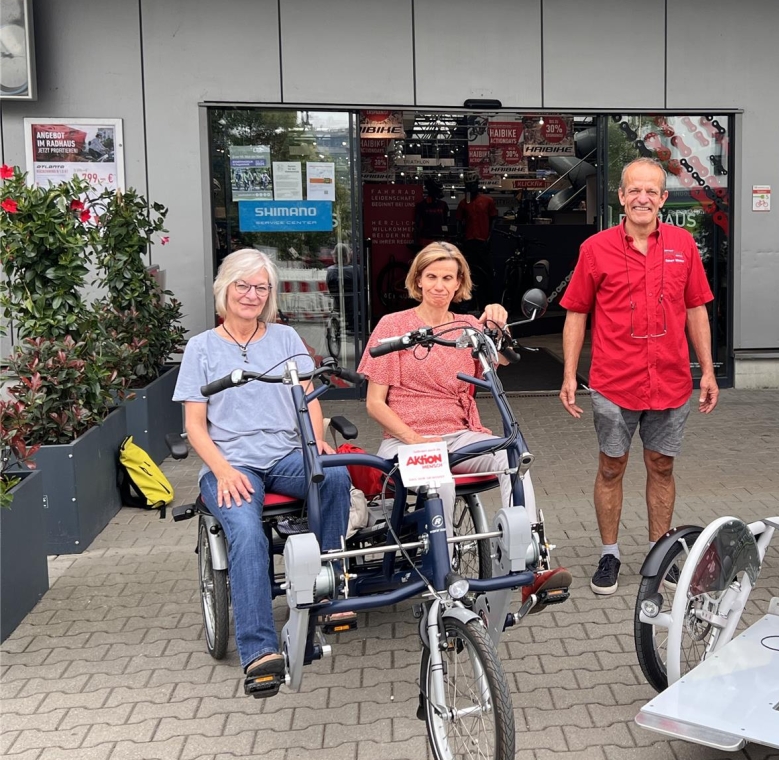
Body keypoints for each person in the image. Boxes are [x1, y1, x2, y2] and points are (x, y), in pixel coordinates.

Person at [173, 248, 352, 696]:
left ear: (270, 295)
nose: (251, 295)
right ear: (225, 289)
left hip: (285, 454)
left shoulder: (286, 340)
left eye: (260, 287)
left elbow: (309, 400)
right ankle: (260, 651)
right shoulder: (202, 348)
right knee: (248, 535)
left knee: (336, 476)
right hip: (231, 463)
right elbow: (194, 426)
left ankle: (327, 594)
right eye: (242, 285)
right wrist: (222, 470)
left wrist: (314, 447)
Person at [357, 241, 572, 612]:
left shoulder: (467, 326)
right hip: (406, 440)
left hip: (458, 435)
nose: (440, 286)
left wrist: (496, 323)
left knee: (513, 457)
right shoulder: (393, 326)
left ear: (459, 284)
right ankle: (446, 576)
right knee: (438, 476)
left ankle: (526, 564)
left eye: (448, 278)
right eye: (432, 277)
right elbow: (375, 404)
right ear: (418, 281)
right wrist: (416, 440)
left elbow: (503, 359)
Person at [559, 157, 719, 596]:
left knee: (661, 466)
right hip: (614, 381)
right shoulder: (595, 249)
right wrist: (570, 374)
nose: (642, 198)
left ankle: (660, 552)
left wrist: (706, 370)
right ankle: (609, 553)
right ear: (622, 197)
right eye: (634, 190)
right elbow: (576, 313)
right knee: (612, 468)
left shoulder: (684, 245)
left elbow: (696, 309)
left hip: (669, 380)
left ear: (663, 199)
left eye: (652, 191)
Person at [456, 181, 497, 307]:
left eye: (473, 185)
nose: (471, 188)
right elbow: (458, 221)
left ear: (477, 185)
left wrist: (489, 238)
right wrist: (460, 237)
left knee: (486, 272)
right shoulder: (463, 203)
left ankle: (488, 301)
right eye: (468, 186)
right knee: (469, 272)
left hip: (483, 241)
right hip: (469, 241)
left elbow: (494, 219)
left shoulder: (487, 201)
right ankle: (470, 301)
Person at [413, 179, 451, 248]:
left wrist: (447, 236)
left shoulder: (443, 205)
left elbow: (446, 222)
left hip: (440, 239)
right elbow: (417, 224)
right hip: (426, 239)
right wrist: (416, 241)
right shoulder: (422, 205)